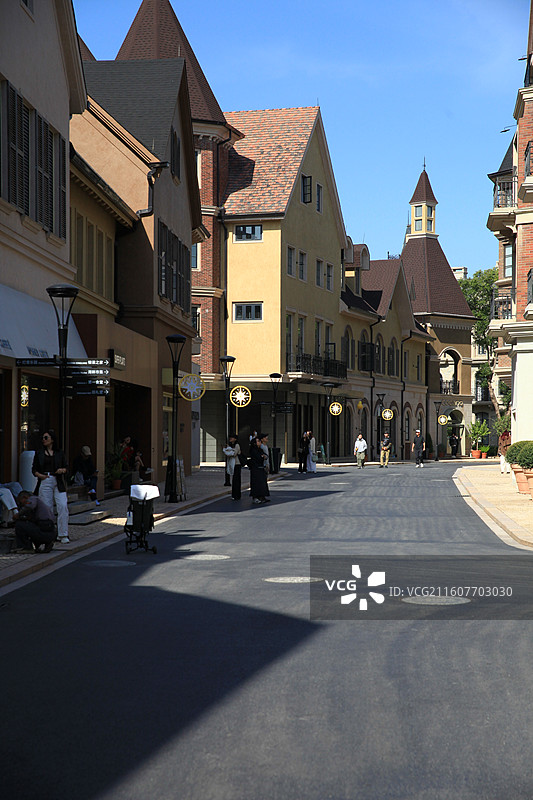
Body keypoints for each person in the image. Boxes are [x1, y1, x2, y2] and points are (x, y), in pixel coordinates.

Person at [32, 429, 70, 544]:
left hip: (58, 480)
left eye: (46, 437)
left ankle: (63, 534)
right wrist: (40, 476)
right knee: (47, 508)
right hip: (45, 479)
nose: (44, 440)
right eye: (43, 438)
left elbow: (67, 467)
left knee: (62, 505)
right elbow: (34, 469)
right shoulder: (39, 453)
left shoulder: (59, 453)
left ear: (52, 439)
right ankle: (49, 533)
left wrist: (62, 470)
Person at [249, 436, 269, 504]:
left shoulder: (260, 449)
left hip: (261, 468)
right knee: (256, 483)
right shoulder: (253, 450)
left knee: (262, 483)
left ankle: (262, 497)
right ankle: (255, 497)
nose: (260, 442)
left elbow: (265, 456)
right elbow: (258, 457)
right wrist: (262, 457)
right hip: (255, 469)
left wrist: (263, 457)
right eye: (258, 441)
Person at [222, 434, 242, 500]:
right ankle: (234, 495)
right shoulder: (231, 446)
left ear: (235, 439)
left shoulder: (237, 445)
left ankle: (237, 495)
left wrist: (227, 450)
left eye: (232, 437)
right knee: (234, 480)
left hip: (237, 464)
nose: (230, 438)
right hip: (232, 464)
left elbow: (233, 453)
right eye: (230, 437)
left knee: (236, 480)